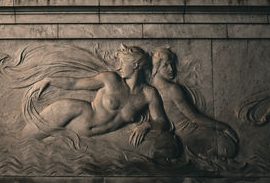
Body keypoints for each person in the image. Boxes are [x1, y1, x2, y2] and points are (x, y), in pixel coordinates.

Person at [24, 46, 178, 159]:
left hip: (88, 139)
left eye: (122, 63)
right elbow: (74, 84)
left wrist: (147, 125)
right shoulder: (110, 79)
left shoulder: (148, 94)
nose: (118, 67)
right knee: (22, 141)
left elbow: (162, 121)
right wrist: (49, 80)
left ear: (135, 65)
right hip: (70, 112)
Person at [151, 47, 238, 162]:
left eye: (171, 64)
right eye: (165, 65)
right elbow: (194, 118)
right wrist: (224, 127)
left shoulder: (150, 89)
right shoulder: (172, 89)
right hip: (190, 134)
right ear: (156, 68)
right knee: (228, 146)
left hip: (179, 136)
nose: (171, 69)